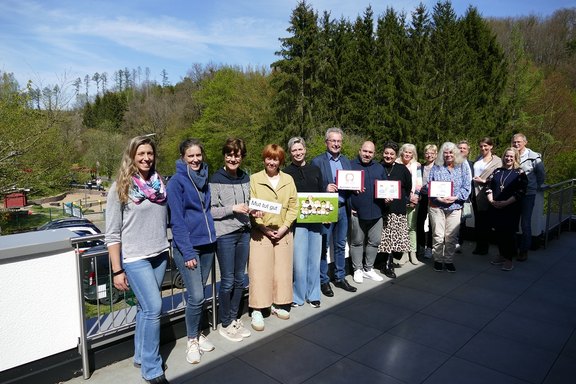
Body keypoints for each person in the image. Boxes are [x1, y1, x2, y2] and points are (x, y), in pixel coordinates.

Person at [105, 136, 170, 384]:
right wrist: (116, 270)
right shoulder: (119, 188)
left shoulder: (159, 183)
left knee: (145, 309)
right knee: (154, 308)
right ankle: (152, 369)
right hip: (135, 259)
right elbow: (112, 233)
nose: (146, 158)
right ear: (132, 156)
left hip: (160, 254)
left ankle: (141, 356)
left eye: (150, 153)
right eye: (141, 153)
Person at [167, 139, 216, 365]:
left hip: (207, 245)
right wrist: (187, 252)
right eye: (190, 156)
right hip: (188, 247)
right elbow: (176, 220)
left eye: (198, 155)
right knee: (196, 296)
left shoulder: (204, 178)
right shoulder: (176, 182)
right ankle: (191, 340)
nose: (195, 160)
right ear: (183, 158)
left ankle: (198, 333)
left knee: (200, 294)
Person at [249, 144, 298, 331]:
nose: (272, 162)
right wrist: (263, 228)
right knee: (260, 271)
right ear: (264, 159)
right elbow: (251, 207)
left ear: (280, 161)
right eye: (269, 158)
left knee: (282, 271)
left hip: (283, 231)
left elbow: (294, 206)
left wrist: (285, 227)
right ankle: (257, 309)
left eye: (275, 159)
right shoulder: (254, 179)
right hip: (261, 233)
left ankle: (278, 303)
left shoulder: (288, 179)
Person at [209, 138, 254, 342]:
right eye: (229, 154)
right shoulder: (215, 179)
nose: (232, 158)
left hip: (244, 232)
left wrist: (254, 211)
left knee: (239, 279)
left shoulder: (246, 177)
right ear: (224, 155)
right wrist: (232, 208)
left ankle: (234, 317)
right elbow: (210, 211)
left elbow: (249, 203)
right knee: (226, 281)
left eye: (236, 155)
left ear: (241, 157)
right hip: (225, 235)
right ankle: (225, 322)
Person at [311, 127, 357, 297]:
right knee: (323, 246)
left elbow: (351, 183)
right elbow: (312, 186)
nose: (336, 144)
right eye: (333, 141)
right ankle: (324, 281)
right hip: (326, 208)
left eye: (339, 141)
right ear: (326, 142)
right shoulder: (317, 161)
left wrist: (356, 189)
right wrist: (324, 188)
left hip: (343, 208)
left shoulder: (346, 161)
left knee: (340, 245)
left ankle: (340, 277)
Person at [284, 137, 324, 307]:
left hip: (316, 222)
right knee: (299, 262)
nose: (298, 153)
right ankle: (298, 296)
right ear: (290, 153)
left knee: (314, 260)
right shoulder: (286, 173)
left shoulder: (315, 170)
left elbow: (323, 194)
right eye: (294, 150)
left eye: (300, 149)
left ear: (305, 150)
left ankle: (314, 294)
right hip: (297, 223)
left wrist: (326, 217)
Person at [428, 142, 472, 272]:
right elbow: (431, 185)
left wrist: (456, 197)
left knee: (451, 236)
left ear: (455, 153)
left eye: (451, 152)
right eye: (446, 152)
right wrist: (438, 198)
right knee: (438, 235)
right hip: (437, 206)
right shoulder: (436, 166)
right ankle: (438, 259)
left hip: (455, 205)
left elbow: (466, 186)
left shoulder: (462, 166)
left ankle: (448, 260)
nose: (448, 155)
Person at [349, 141, 386, 284]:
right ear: (360, 150)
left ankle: (368, 269)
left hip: (377, 212)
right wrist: (350, 204)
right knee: (357, 242)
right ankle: (357, 269)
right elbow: (343, 188)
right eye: (365, 151)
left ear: (374, 153)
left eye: (370, 152)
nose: (367, 154)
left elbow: (386, 186)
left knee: (374, 241)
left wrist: (388, 197)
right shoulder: (350, 166)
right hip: (357, 212)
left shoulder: (379, 167)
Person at [486, 147, 528, 271]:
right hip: (496, 206)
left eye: (511, 156)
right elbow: (489, 186)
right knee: (498, 232)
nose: (508, 158)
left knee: (509, 234)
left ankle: (509, 259)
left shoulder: (520, 173)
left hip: (511, 208)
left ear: (515, 158)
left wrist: (506, 202)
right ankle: (501, 254)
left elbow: (521, 191)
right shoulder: (497, 171)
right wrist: (491, 200)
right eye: (506, 156)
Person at [377, 141, 412, 279]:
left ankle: (389, 263)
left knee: (393, 239)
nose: (388, 156)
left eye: (391, 154)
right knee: (382, 238)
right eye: (386, 153)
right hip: (380, 209)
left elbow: (408, 188)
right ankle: (383, 263)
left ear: (396, 155)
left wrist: (401, 199)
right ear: (382, 153)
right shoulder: (377, 167)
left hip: (396, 209)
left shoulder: (402, 169)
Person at [511, 133, 546, 261]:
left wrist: (534, 186)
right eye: (514, 142)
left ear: (525, 142)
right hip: (513, 195)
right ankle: (512, 249)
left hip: (527, 195)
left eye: (519, 142)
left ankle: (524, 250)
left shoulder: (534, 158)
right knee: (513, 223)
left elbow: (541, 174)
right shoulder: (511, 155)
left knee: (525, 223)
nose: (516, 144)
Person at [471, 137, 501, 255]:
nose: (483, 148)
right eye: (481, 146)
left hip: (487, 193)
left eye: (485, 146)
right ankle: (479, 246)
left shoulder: (497, 161)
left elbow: (498, 176)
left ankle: (484, 247)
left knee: (486, 222)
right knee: (478, 221)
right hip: (475, 193)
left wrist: (485, 181)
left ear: (491, 146)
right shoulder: (478, 158)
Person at [396, 143, 422, 265]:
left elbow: (419, 183)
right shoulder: (396, 164)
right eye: (405, 151)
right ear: (402, 152)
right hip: (399, 200)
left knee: (412, 227)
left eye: (410, 152)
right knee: (402, 227)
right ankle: (404, 254)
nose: (407, 154)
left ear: (413, 154)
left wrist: (414, 198)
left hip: (413, 199)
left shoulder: (417, 166)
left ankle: (413, 253)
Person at [417, 144, 437, 259]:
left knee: (432, 223)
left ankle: (429, 247)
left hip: (434, 198)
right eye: (427, 153)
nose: (429, 155)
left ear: (435, 154)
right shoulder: (421, 167)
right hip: (422, 198)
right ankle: (420, 246)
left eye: (432, 153)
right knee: (420, 222)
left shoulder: (439, 167)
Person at [456, 140, 474, 252]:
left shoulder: (472, 164)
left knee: (463, 220)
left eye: (464, 148)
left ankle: (459, 242)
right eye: (460, 148)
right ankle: (453, 241)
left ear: (468, 151)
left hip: (467, 197)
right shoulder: (453, 163)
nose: (462, 150)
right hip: (454, 196)